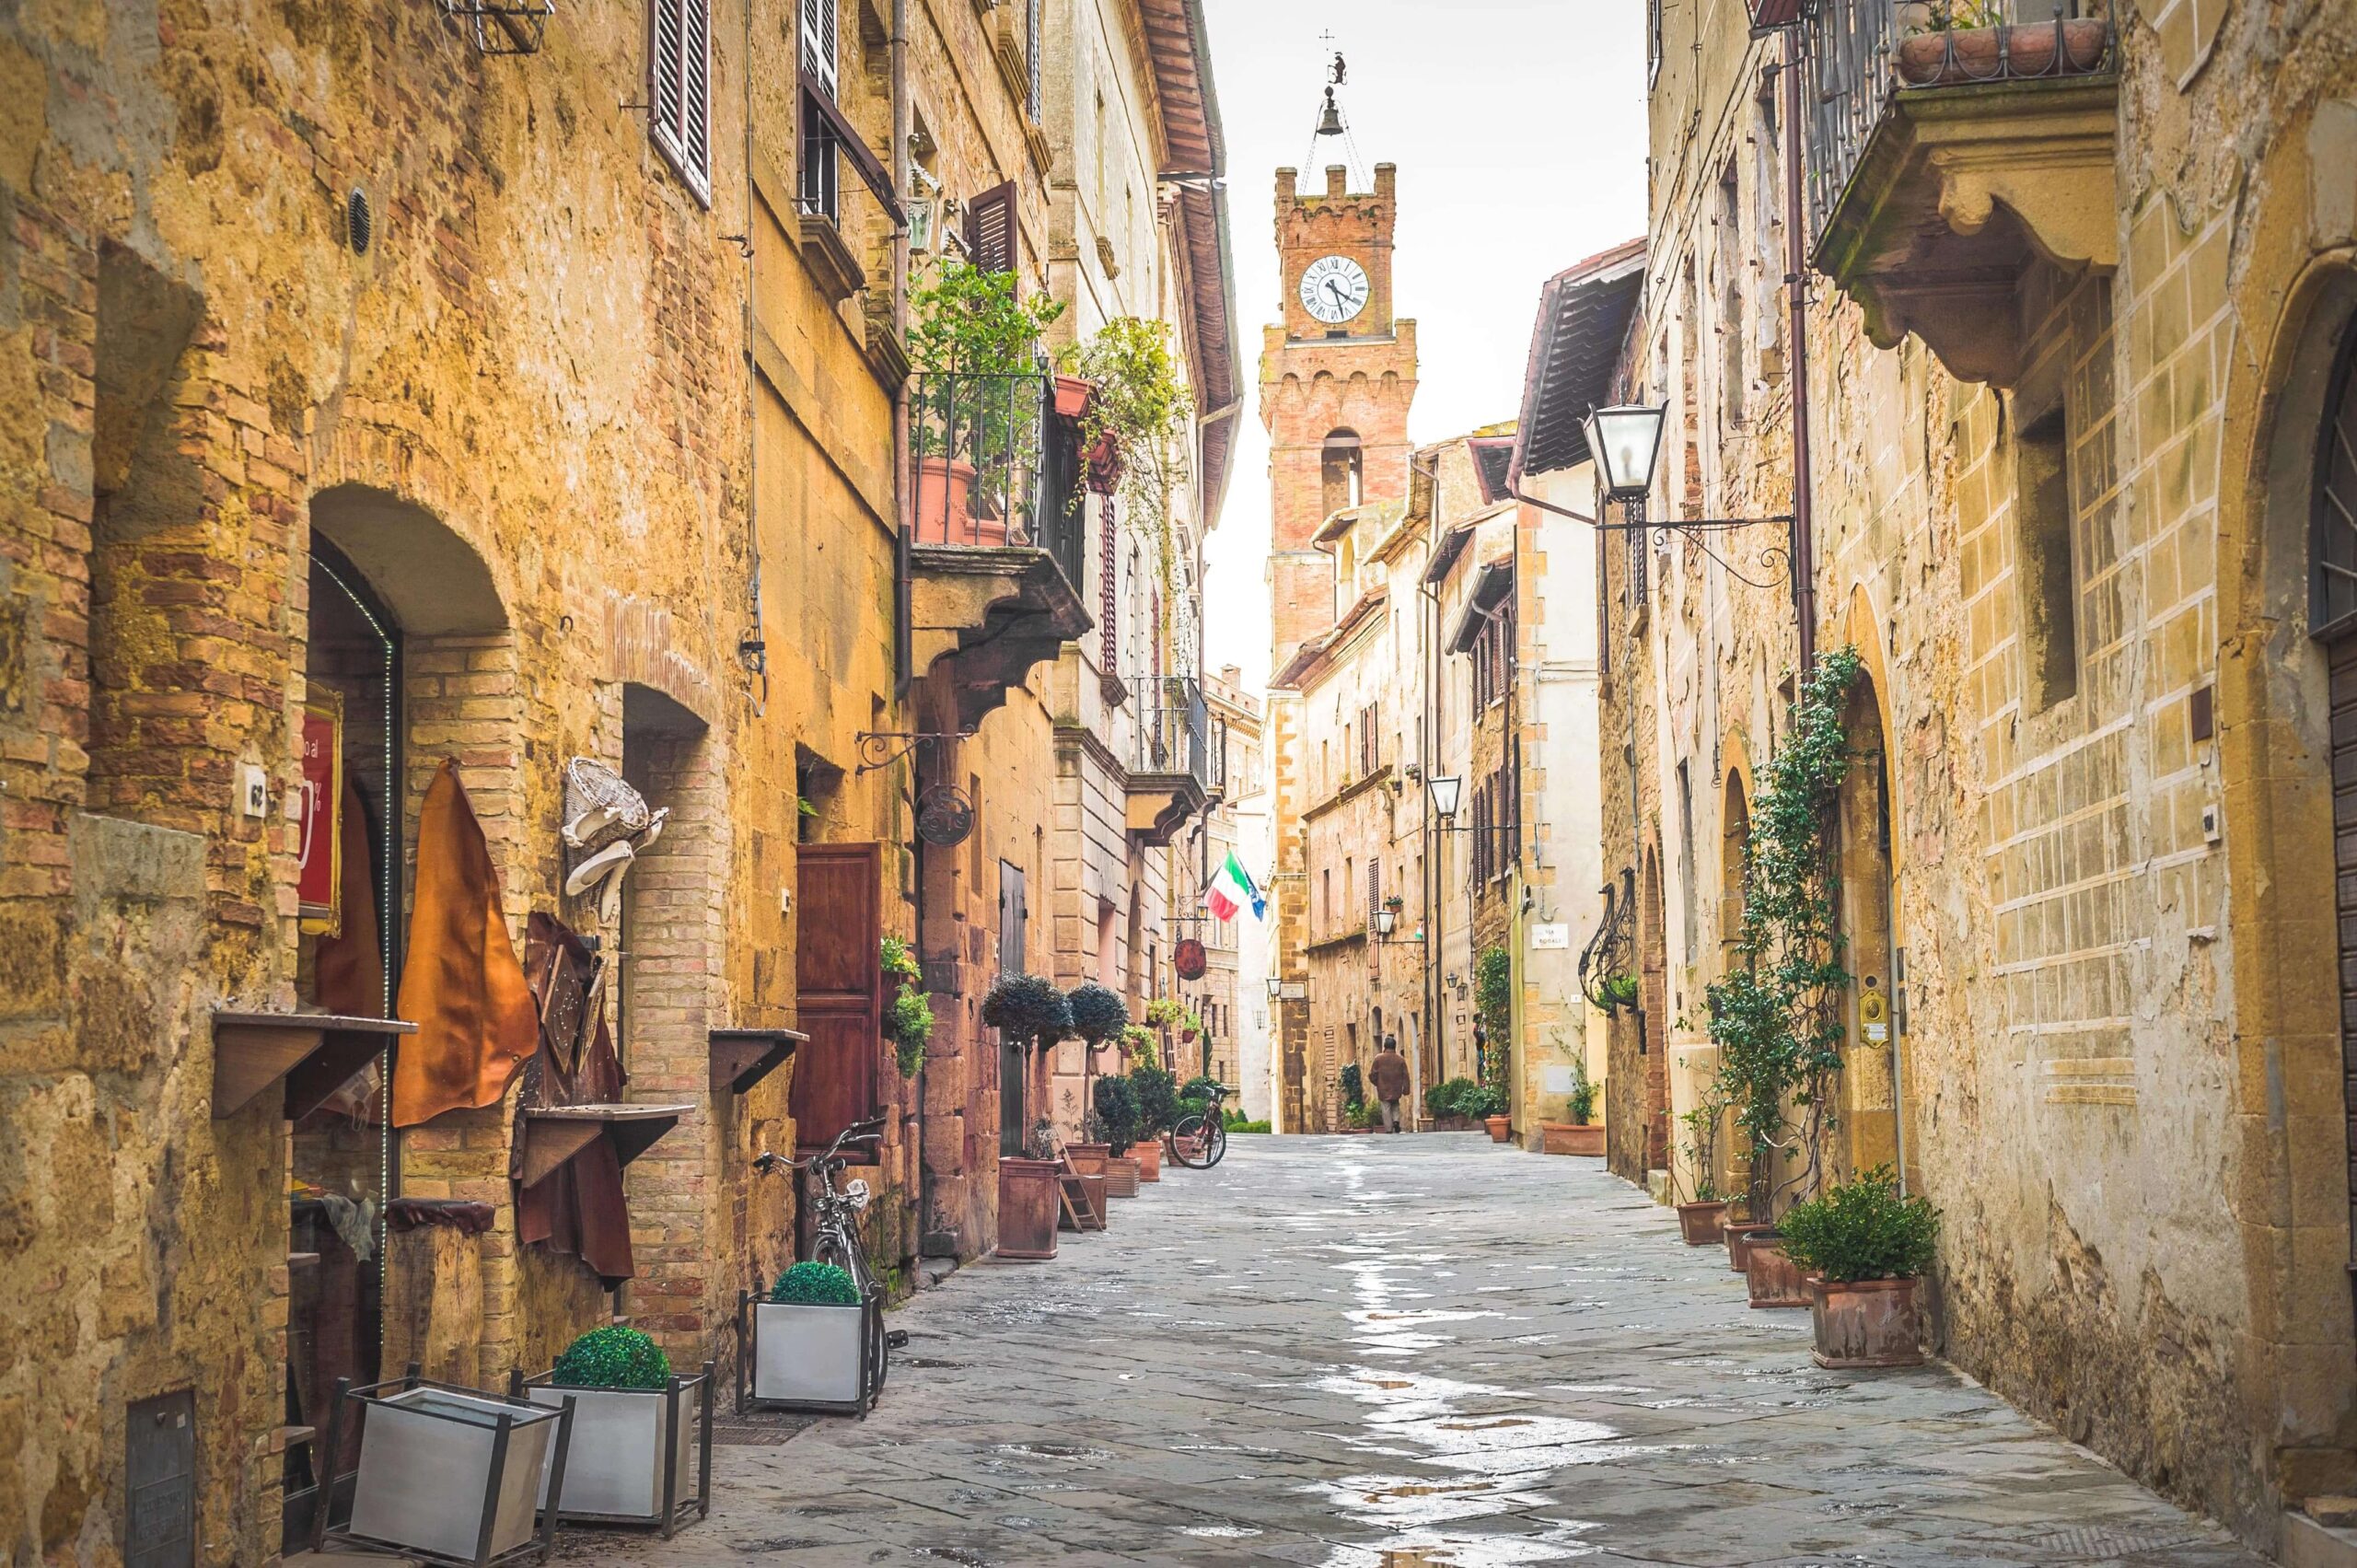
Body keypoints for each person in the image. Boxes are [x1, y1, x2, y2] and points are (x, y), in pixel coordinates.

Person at [1370, 1037, 1411, 1133]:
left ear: (1385, 1046)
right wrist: (1406, 1088)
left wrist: (1377, 1083)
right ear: (1394, 1046)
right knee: (1395, 1104)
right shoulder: (1400, 1059)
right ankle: (1396, 1121)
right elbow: (1405, 1075)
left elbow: (1373, 1074)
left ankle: (1388, 1129)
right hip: (1396, 1087)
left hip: (1383, 1088)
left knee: (1386, 1108)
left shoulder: (1378, 1058)